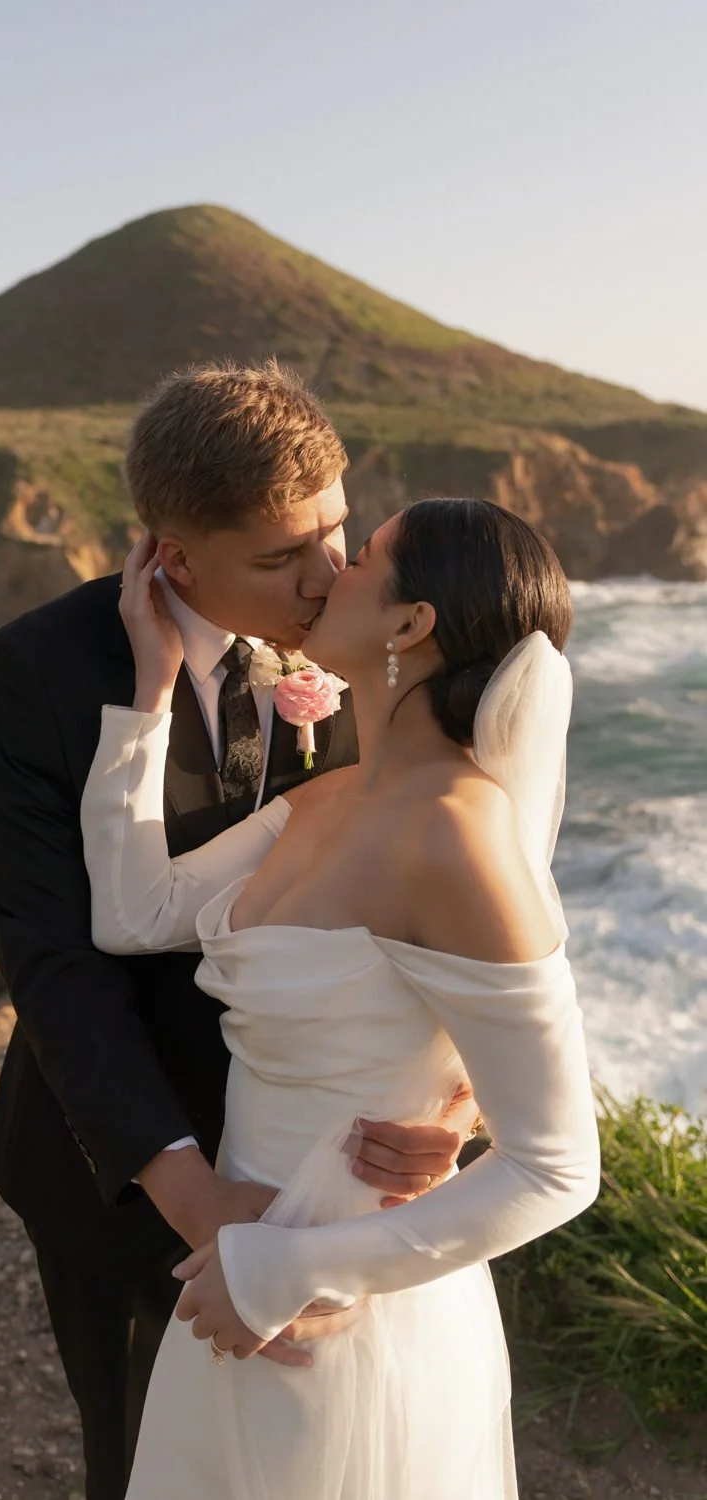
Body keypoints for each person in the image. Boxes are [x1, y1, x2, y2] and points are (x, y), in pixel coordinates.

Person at [0, 363, 474, 1500]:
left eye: (336, 531)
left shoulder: (365, 640)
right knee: (145, 1455)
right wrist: (188, 1193)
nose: (326, 575)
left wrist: (461, 1102)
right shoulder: (40, 668)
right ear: (174, 556)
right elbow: (53, 957)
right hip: (129, 1151)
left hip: (322, 1157)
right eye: (280, 555)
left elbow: (452, 877)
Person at [79, 495, 601, 1499]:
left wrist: (286, 1274)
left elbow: (557, 1169)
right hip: (236, 1259)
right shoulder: (327, 798)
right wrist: (150, 688)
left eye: (360, 556)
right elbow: (133, 912)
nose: (327, 566)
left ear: (409, 625)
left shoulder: (455, 834)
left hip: (341, 1296)